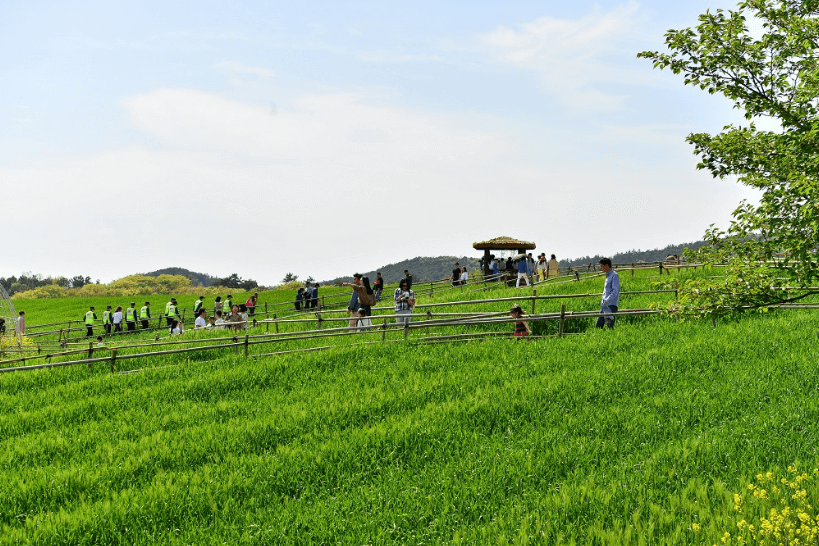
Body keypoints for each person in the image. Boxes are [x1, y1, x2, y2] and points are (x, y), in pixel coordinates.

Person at [596, 258, 620, 329]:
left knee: (610, 326)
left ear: (606, 265)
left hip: (610, 306)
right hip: (605, 306)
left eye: (602, 266)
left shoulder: (614, 275)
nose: (601, 268)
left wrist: (607, 300)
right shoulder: (608, 276)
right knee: (598, 326)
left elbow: (615, 291)